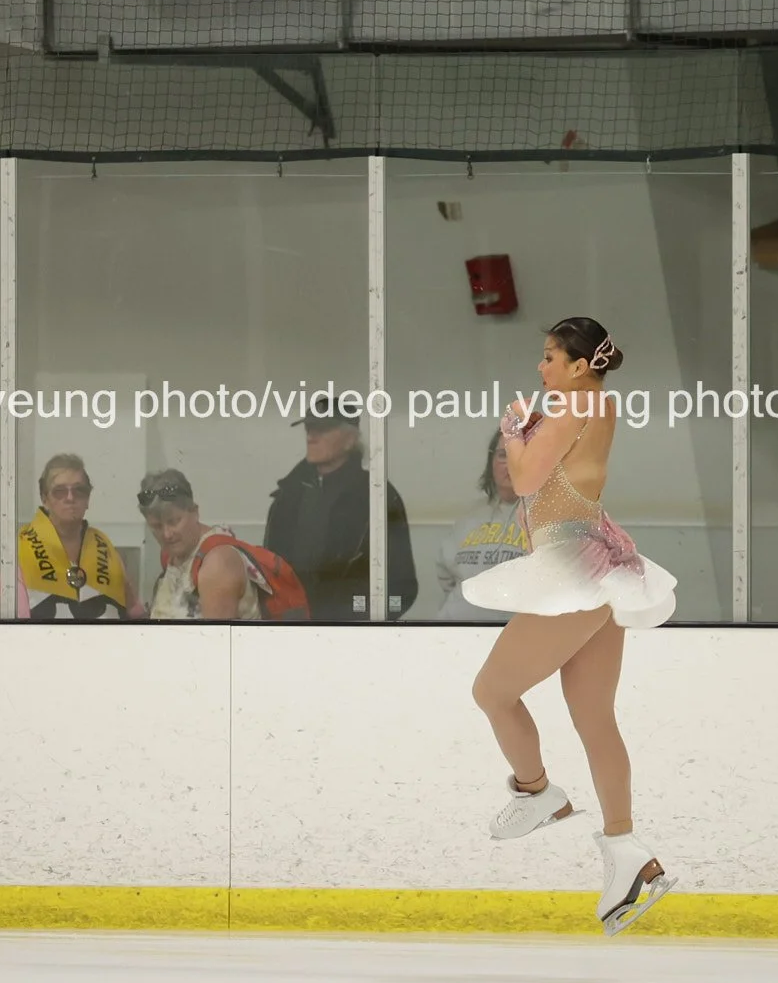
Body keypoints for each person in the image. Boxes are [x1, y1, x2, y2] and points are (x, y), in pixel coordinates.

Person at [462, 317, 679, 935]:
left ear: (581, 366)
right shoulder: (599, 406)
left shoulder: (571, 408)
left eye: (551, 357)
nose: (542, 367)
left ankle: (537, 792)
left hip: (573, 569)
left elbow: (525, 480)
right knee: (594, 717)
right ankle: (627, 851)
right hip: (603, 561)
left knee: (491, 691)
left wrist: (513, 431)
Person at [263, 393, 418, 621]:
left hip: (353, 631)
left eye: (322, 429)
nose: (311, 437)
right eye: (309, 428)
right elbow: (268, 573)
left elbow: (401, 585)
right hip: (292, 628)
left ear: (350, 439)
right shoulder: (288, 495)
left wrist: (363, 624)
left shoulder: (376, 495)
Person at [11, 454, 133, 620]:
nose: (70, 498)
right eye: (59, 491)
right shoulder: (18, 553)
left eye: (79, 490)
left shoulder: (109, 553)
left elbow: (135, 614)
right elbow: (14, 626)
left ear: (87, 499)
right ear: (45, 499)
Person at [429, 428, 529, 621]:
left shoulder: (548, 519)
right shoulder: (470, 517)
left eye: (521, 455)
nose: (511, 464)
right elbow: (445, 574)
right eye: (503, 455)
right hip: (454, 630)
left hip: (514, 633)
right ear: (491, 462)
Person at [138, 468, 263, 621]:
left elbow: (216, 635)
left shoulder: (217, 563)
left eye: (174, 522)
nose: (167, 534)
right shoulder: (172, 553)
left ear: (195, 512)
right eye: (157, 526)